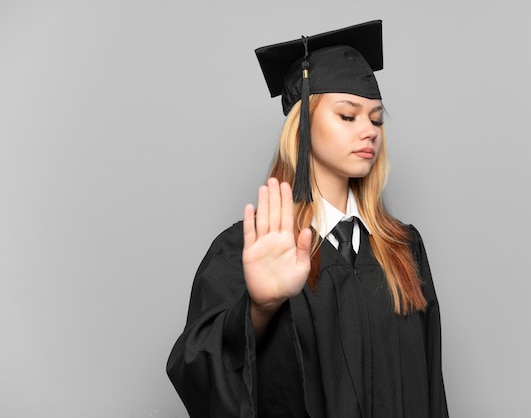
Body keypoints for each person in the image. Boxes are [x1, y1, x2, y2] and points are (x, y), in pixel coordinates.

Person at [167, 20, 449, 418]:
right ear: (302, 128)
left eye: (376, 119)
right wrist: (258, 309)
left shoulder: (403, 249)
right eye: (348, 116)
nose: (369, 130)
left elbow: (430, 388)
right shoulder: (248, 247)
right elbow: (196, 368)